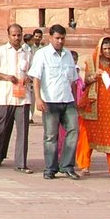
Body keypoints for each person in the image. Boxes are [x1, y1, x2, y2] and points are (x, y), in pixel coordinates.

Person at [28, 23, 80, 179]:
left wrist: (74, 98)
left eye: (62, 38)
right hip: (50, 100)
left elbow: (72, 80)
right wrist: (38, 98)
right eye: (57, 38)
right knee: (51, 136)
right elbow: (36, 78)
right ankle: (50, 168)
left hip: (68, 99)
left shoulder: (68, 55)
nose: (60, 41)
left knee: (73, 131)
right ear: (50, 38)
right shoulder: (42, 54)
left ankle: (67, 165)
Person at [76, 36, 110, 180]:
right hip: (93, 102)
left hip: (109, 102)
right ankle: (84, 165)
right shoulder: (92, 61)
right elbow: (85, 81)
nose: (108, 51)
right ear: (100, 48)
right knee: (87, 135)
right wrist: (94, 76)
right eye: (105, 49)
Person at [0, 24, 33, 173]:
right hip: (5, 97)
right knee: (2, 129)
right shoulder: (0, 51)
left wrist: (29, 78)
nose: (16, 38)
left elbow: (33, 71)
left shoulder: (27, 51)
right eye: (14, 35)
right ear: (8, 36)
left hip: (23, 97)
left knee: (23, 132)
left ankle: (21, 163)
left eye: (19, 35)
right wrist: (6, 77)